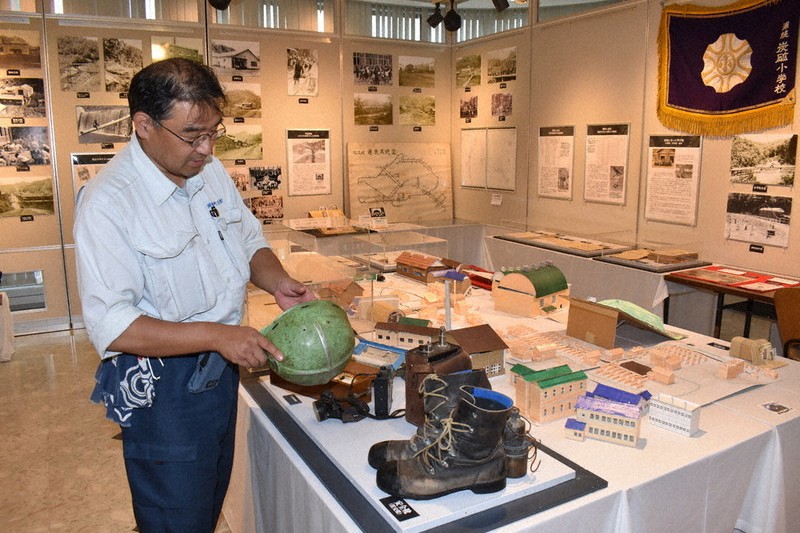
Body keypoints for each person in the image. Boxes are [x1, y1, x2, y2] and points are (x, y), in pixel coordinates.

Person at [73, 57, 314, 532]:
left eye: (213, 133)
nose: (206, 147)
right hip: (164, 391)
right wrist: (219, 336)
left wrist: (276, 280)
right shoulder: (108, 203)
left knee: (205, 504)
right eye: (192, 134)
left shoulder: (208, 171)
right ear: (144, 125)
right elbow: (115, 325)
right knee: (174, 518)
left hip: (217, 373)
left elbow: (248, 240)